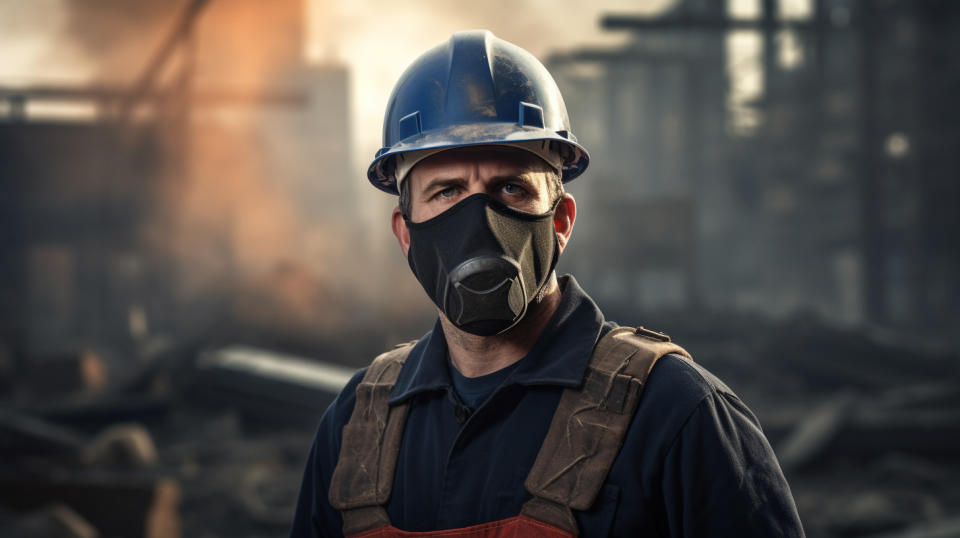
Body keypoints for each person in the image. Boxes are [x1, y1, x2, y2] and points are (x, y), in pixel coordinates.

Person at [290, 30, 804, 537]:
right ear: (406, 234)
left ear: (560, 221)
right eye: (446, 192)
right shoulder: (355, 426)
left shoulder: (678, 415)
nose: (479, 222)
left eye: (510, 188)